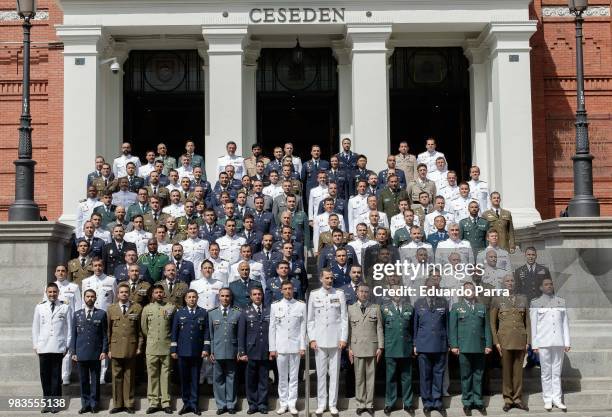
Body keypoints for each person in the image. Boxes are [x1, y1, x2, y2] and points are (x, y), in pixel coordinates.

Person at [307, 269, 348, 416]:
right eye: (327, 278)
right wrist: (311, 338)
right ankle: (321, 404)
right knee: (321, 374)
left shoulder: (339, 294)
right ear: (321, 279)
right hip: (319, 340)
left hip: (336, 340)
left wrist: (343, 338)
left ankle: (332, 404)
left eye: (331, 278)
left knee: (334, 374)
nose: (329, 280)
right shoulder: (314, 295)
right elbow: (310, 319)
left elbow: (344, 318)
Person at [449, 281, 492, 415]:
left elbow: (486, 327)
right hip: (464, 347)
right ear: (463, 292)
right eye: (467, 290)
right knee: (466, 376)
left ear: (475, 292)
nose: (470, 292)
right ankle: (467, 402)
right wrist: (454, 345)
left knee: (478, 375)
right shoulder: (457, 307)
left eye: (472, 290)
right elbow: (453, 328)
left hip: (479, 347)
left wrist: (488, 344)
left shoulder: (481, 307)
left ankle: (478, 401)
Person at [490, 275, 530, 412]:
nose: (510, 283)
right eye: (507, 281)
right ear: (502, 283)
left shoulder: (523, 299)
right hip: (504, 340)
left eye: (512, 281)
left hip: (520, 339)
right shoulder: (497, 299)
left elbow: (528, 322)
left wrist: (528, 341)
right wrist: (496, 342)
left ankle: (518, 399)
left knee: (518, 372)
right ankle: (507, 399)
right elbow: (492, 323)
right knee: (506, 371)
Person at [530, 277, 571, 411]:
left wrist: (567, 342)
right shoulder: (536, 303)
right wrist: (535, 345)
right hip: (544, 343)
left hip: (558, 342)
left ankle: (557, 399)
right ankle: (547, 399)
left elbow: (565, 323)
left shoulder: (561, 301)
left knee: (556, 372)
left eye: (551, 284)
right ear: (541, 288)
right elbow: (534, 326)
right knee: (546, 373)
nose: (549, 286)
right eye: (546, 284)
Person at [33, 282, 73, 413]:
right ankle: (47, 403)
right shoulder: (40, 307)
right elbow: (36, 328)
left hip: (58, 346)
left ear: (58, 293)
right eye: (50, 292)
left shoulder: (65, 307)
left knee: (56, 376)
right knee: (45, 376)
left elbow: (69, 328)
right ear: (46, 293)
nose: (52, 294)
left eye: (54, 292)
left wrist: (67, 345)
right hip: (43, 346)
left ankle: (56, 403)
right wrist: (35, 345)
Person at [269, 280, 306, 415]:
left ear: (293, 289)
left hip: (296, 347)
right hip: (281, 347)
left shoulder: (301, 306)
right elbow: (272, 329)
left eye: (290, 288)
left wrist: (302, 346)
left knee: (294, 377)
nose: (288, 291)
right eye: (285, 289)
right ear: (281, 290)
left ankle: (292, 403)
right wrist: (272, 348)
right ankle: (283, 403)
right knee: (282, 377)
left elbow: (303, 328)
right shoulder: (275, 306)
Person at [170, 289, 209, 416]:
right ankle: (186, 403)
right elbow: (174, 333)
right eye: (189, 297)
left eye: (194, 297)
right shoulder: (179, 312)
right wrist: (173, 350)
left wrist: (206, 349)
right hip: (182, 352)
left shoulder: (203, 312)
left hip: (197, 352)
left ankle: (194, 404)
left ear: (197, 298)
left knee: (195, 378)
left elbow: (206, 333)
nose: (192, 299)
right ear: (185, 299)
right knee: (184, 379)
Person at [413, 277, 449, 413]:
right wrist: (415, 344)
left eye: (435, 287)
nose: (432, 289)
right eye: (429, 287)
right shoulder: (418, 303)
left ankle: (437, 401)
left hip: (440, 344)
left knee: (438, 374)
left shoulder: (443, 302)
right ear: (425, 288)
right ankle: (427, 402)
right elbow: (415, 326)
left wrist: (448, 343)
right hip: (423, 345)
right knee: (425, 375)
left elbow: (447, 324)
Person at [107, 282, 143, 414]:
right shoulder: (111, 309)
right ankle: (117, 404)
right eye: (121, 292)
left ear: (129, 294)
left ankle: (129, 403)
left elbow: (140, 330)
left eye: (126, 292)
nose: (124, 294)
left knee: (129, 376)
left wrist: (139, 347)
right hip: (116, 348)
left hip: (131, 347)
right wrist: (109, 349)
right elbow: (108, 331)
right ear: (117, 294)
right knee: (116, 377)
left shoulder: (137, 308)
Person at [347, 284, 383, 416]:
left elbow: (379, 328)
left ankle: (369, 404)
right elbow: (349, 330)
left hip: (372, 347)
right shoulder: (350, 309)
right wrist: (349, 348)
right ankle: (360, 403)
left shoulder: (375, 308)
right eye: (361, 291)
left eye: (366, 292)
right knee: (359, 377)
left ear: (369, 294)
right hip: (356, 347)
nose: (363, 294)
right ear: (356, 293)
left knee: (370, 377)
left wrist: (380, 347)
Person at [70, 289, 108, 414]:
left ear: (95, 298)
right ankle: (85, 404)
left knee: (95, 380)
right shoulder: (77, 314)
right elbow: (74, 335)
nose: (90, 299)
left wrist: (104, 350)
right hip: (81, 352)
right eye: (87, 296)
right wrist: (73, 352)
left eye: (92, 296)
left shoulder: (101, 314)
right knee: (83, 380)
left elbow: (104, 335)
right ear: (84, 298)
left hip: (96, 353)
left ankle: (94, 404)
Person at [43, 265, 81, 385]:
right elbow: (45, 305)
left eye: (63, 271)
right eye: (58, 271)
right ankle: (56, 375)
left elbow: (78, 305)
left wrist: (77, 322)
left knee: (67, 349)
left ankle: (65, 376)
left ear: (67, 273)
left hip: (68, 321)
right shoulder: (49, 287)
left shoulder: (73, 287)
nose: (60, 273)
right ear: (55, 273)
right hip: (54, 323)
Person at [141, 284, 176, 414]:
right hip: (151, 347)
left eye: (161, 292)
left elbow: (174, 327)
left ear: (164, 294)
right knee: (152, 375)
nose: (159, 294)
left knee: (166, 375)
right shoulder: (147, 309)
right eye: (156, 292)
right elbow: (144, 328)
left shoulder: (171, 308)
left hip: (166, 346)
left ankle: (166, 402)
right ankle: (153, 402)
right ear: (152, 295)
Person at [380, 284, 415, 415]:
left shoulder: (409, 308)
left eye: (399, 291)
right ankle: (390, 403)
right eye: (394, 291)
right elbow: (381, 329)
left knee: (407, 377)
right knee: (391, 377)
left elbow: (412, 329)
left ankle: (408, 403)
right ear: (389, 292)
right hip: (391, 347)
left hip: (406, 347)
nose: (397, 293)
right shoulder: (384, 308)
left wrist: (413, 345)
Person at [207, 288, 241, 414]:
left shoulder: (237, 313)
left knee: (231, 378)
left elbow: (239, 334)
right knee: (218, 379)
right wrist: (211, 351)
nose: (225, 298)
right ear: (219, 297)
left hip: (232, 351)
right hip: (217, 351)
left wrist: (239, 351)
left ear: (230, 297)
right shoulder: (212, 313)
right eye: (223, 296)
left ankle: (231, 404)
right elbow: (210, 335)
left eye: (227, 296)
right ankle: (221, 405)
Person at [237, 287, 271, 414]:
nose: (257, 296)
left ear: (262, 296)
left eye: (259, 294)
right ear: (250, 297)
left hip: (265, 350)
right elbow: (241, 334)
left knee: (263, 379)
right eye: (255, 294)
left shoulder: (269, 310)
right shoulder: (245, 312)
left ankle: (262, 404)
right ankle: (252, 404)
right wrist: (242, 352)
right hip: (250, 351)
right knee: (250, 380)